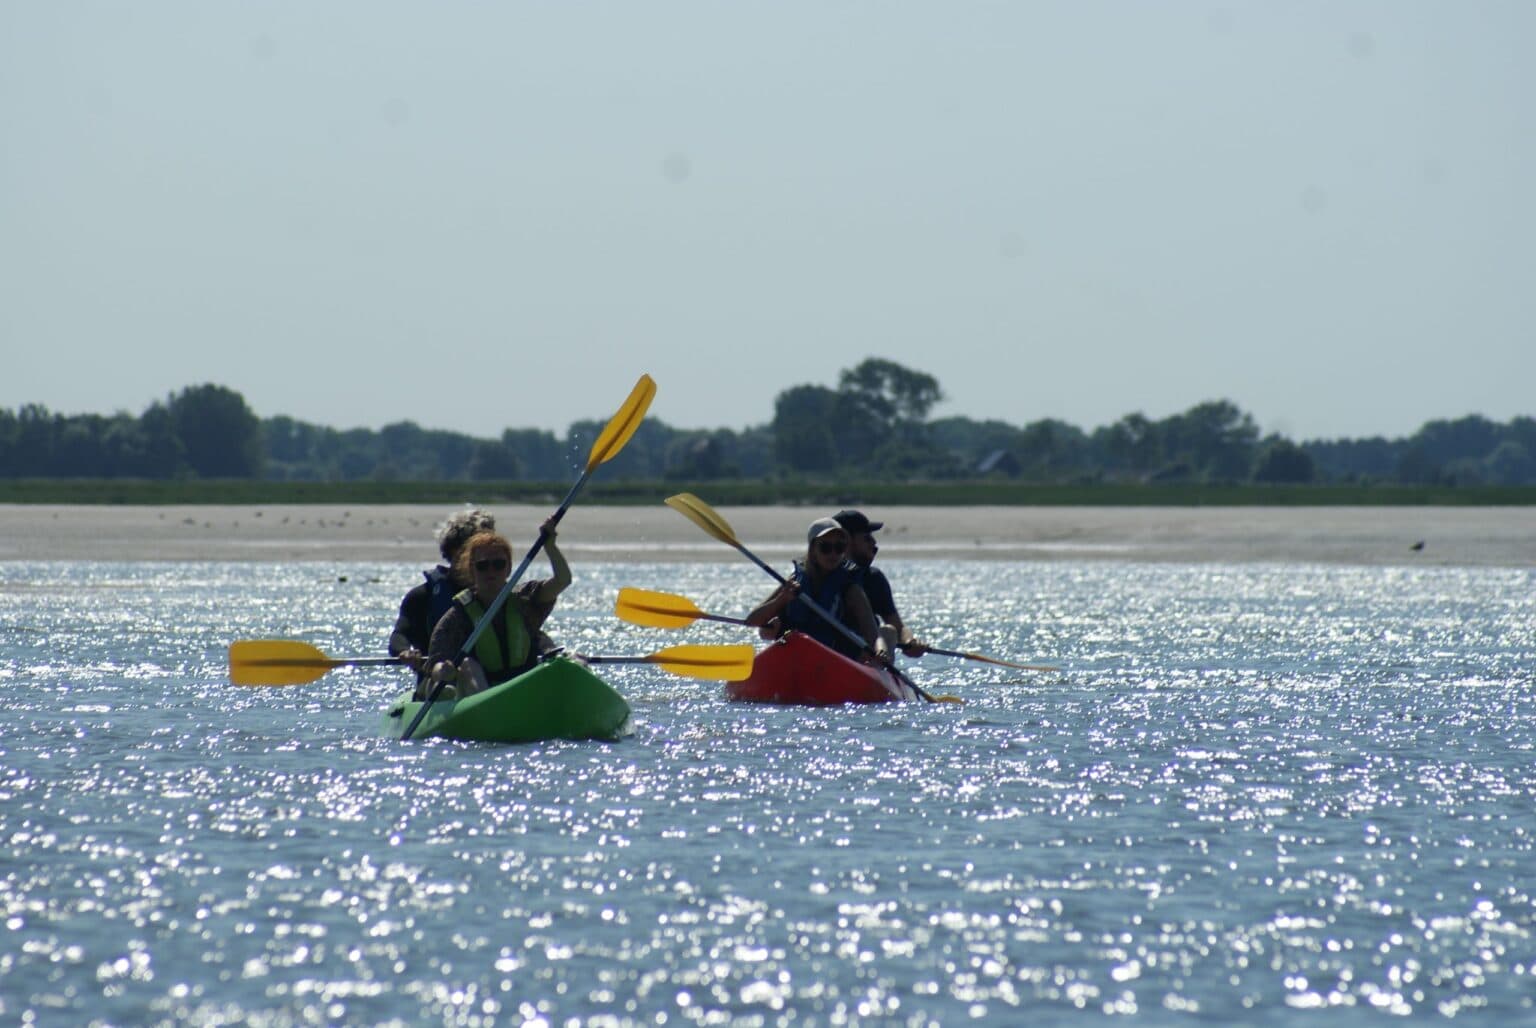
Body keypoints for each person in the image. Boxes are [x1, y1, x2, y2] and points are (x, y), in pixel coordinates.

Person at [419, 517, 572, 699]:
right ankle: (488, 710)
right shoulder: (457, 617)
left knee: (574, 660)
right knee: (467, 665)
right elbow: (436, 663)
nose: (491, 572)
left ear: (508, 569)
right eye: (483, 566)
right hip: (480, 696)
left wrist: (550, 546)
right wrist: (442, 670)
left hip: (523, 688)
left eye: (498, 565)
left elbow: (563, 580)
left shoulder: (526, 599)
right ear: (472, 570)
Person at [745, 517, 882, 662]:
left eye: (839, 548)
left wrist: (879, 651)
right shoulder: (794, 583)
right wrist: (782, 599)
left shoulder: (850, 589)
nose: (833, 554)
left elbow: (873, 635)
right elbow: (752, 621)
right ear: (813, 550)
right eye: (826, 548)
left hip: (838, 661)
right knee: (768, 630)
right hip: (796, 658)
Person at [388, 508, 496, 673]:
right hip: (438, 681)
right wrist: (404, 652)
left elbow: (532, 634)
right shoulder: (421, 597)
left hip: (495, 681)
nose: (486, 558)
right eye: (477, 550)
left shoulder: (500, 595)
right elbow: (400, 635)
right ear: (454, 551)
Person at [833, 508, 928, 659]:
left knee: (889, 631)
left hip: (867, 656)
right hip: (831, 650)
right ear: (846, 541)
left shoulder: (874, 578)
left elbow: (898, 627)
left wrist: (910, 642)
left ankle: (875, 666)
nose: (874, 543)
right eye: (867, 537)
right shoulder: (821, 576)